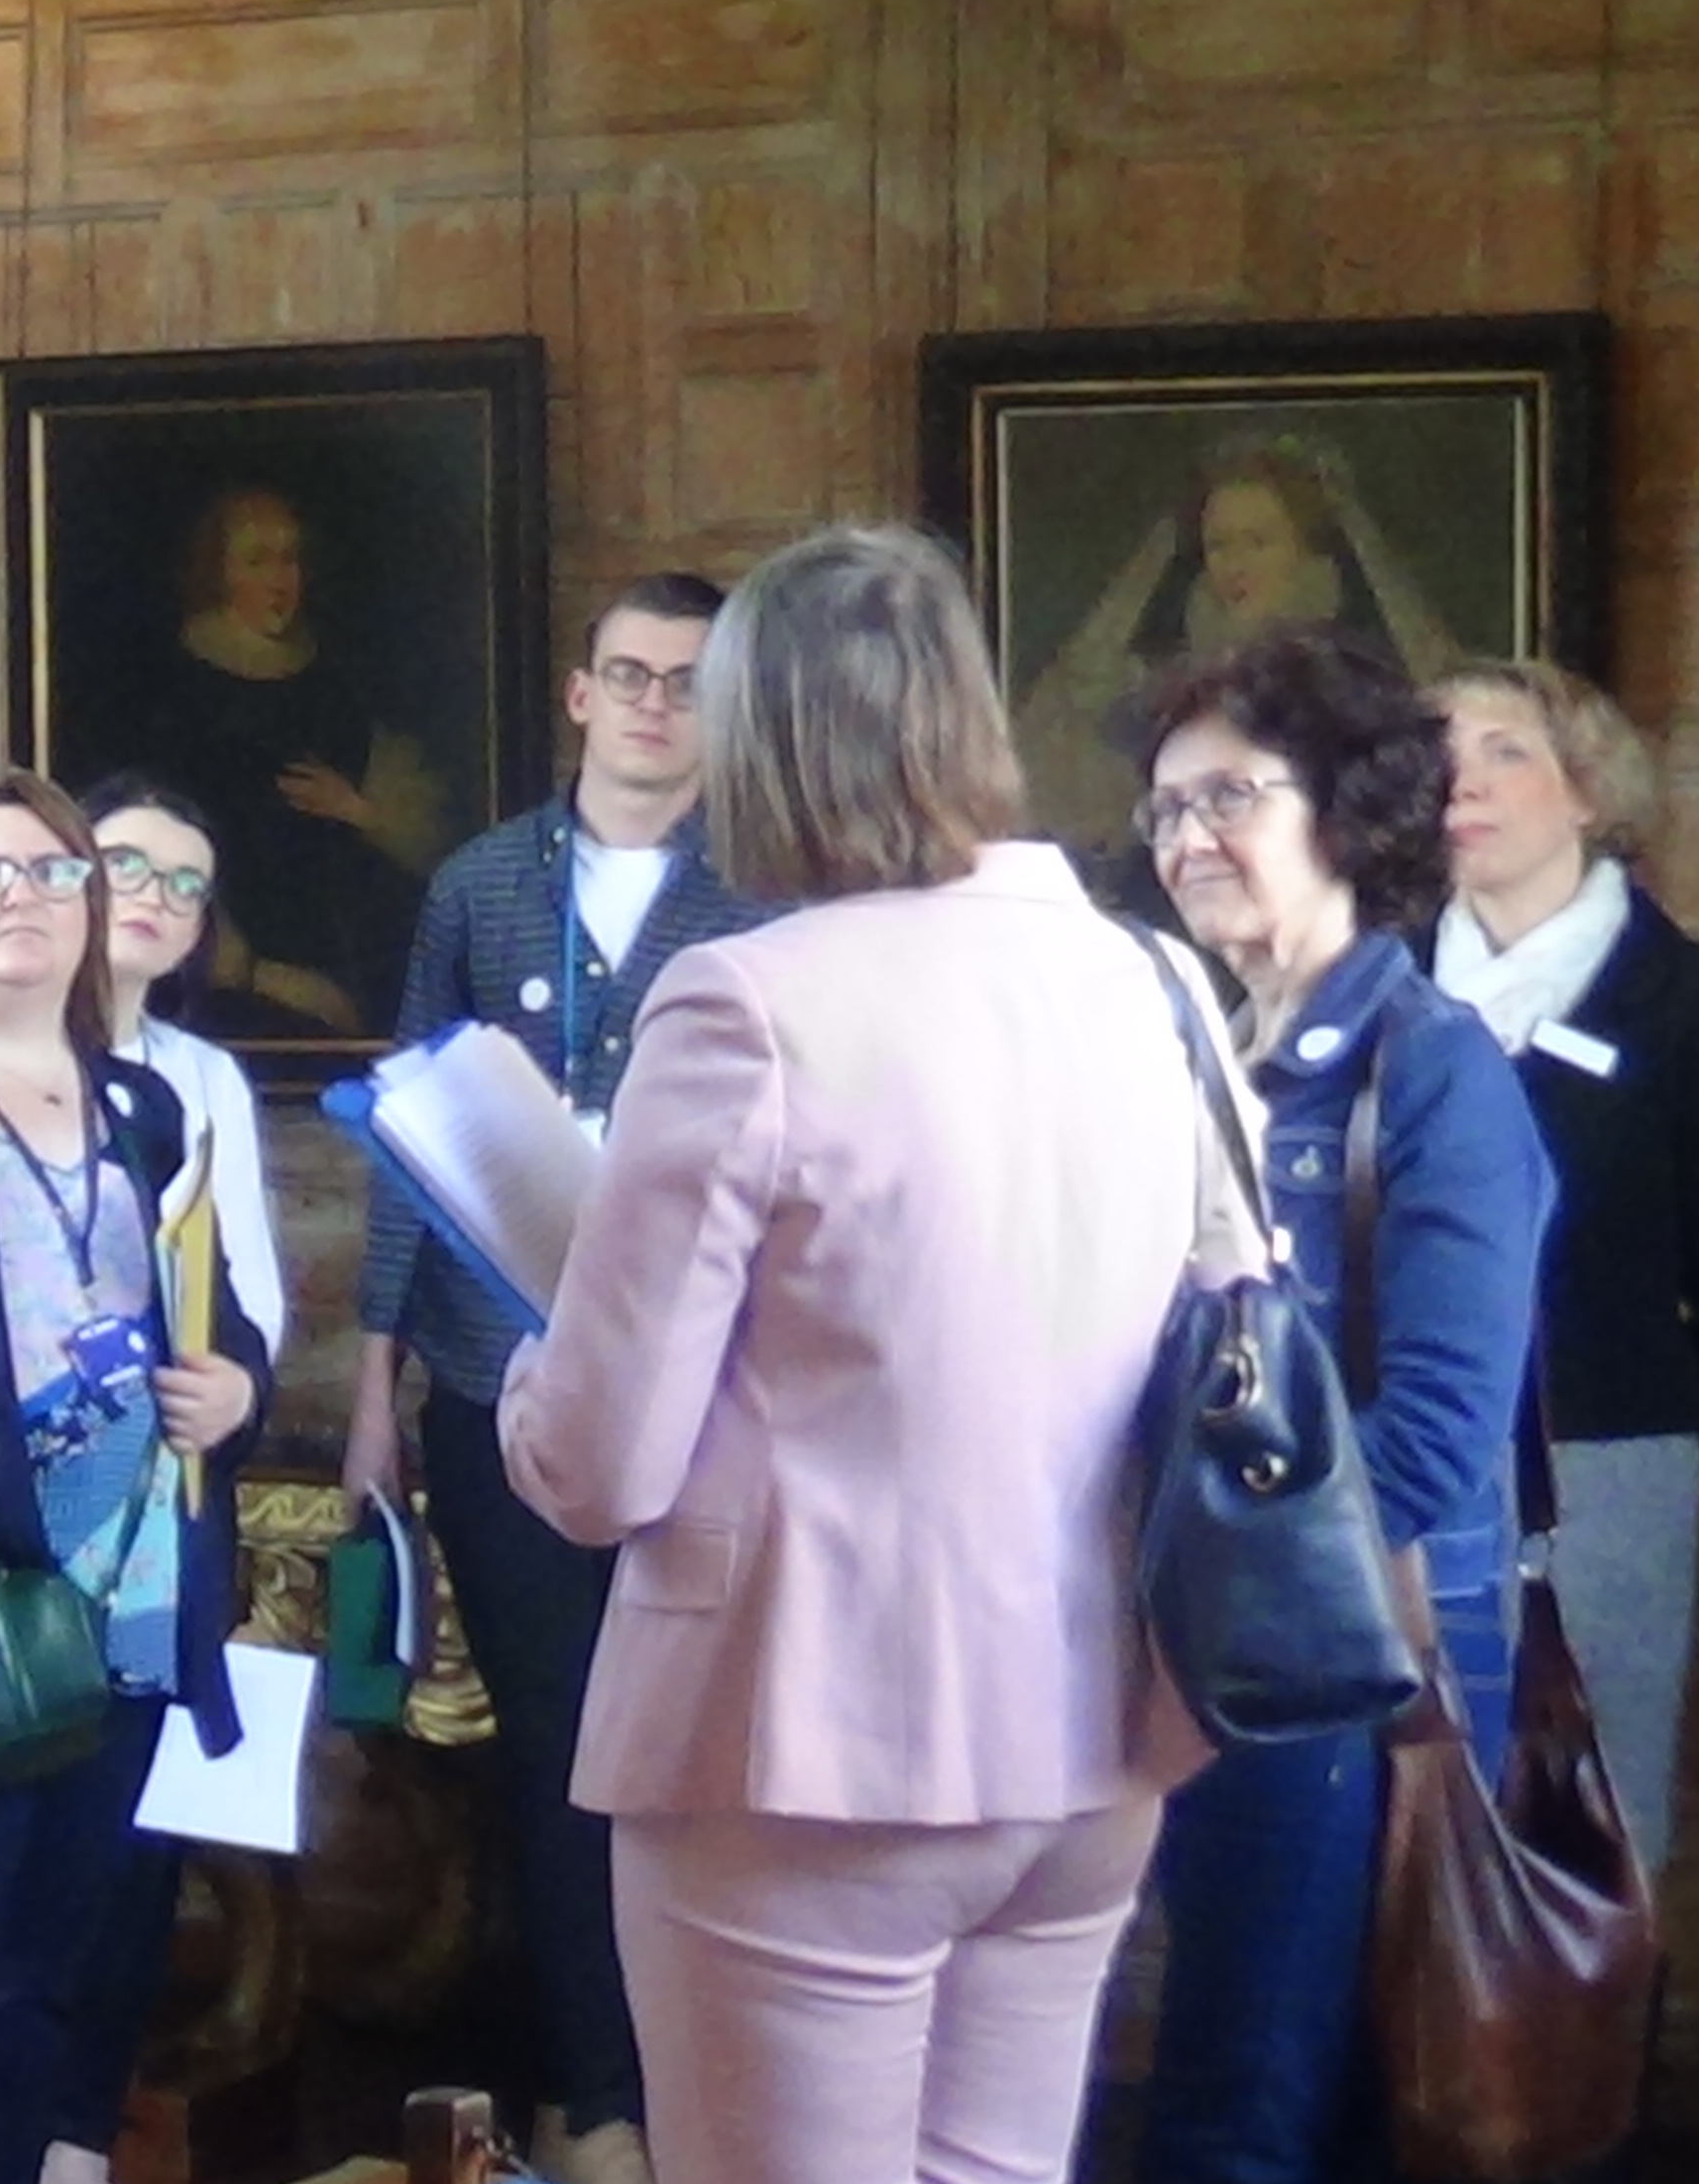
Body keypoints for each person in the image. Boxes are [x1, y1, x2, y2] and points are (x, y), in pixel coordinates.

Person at [496, 523, 1213, 2184]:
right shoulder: (1150, 977)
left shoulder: (746, 1000)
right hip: (1092, 1729)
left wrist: (537, 1372)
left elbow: (598, 1469)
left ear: (759, 740)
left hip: (809, 1742)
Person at [341, 571, 769, 2184]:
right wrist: (373, 1386)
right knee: (555, 1753)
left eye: (689, 680)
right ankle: (588, 2107)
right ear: (579, 696)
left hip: (701, 1397)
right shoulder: (477, 885)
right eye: (629, 675)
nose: (656, 704)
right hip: (492, 1377)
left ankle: (690, 2095)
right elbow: (406, 1133)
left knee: (688, 1758)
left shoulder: (762, 894)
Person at [1133, 625, 1552, 2184]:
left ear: (1351, 814)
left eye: (1229, 796)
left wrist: (1225, 1582)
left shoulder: (1432, 1071)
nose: (1187, 838)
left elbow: (1438, 1436)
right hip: (1208, 1660)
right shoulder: (1186, 1059)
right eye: (1165, 807)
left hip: (1344, 1668)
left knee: (1250, 2114)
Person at [0, 761, 272, 2184]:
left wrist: (239, 1386)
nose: (22, 898)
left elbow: (220, 1315)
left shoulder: (142, 1105)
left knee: (71, 1972)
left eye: (53, 872)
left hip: (135, 1601)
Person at [1427, 657, 1699, 1881]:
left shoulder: (1694, 998)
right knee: (1408, 1825)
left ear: (1588, 792)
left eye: (1505, 751)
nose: (1464, 781)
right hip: (1402, 1469)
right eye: (1442, 754)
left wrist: (1648, 1436)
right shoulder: (1377, 987)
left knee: (1593, 1829)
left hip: (1608, 1463)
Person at [1020, 431, 1465, 857]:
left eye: (1258, 542)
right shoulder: (1166, 683)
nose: (1236, 564)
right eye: (1219, 545)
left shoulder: (1356, 676)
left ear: (1304, 551)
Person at [116, 485, 443, 1037]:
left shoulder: (339, 684)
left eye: (289, 559)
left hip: (344, 955)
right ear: (217, 573)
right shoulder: (170, 696)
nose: (279, 579)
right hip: (231, 982)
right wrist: (259, 973)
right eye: (257, 561)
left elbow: (424, 839)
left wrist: (360, 811)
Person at [78, 770, 288, 1354]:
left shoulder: (208, 1073)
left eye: (186, 884)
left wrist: (237, 1381)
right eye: (124, 864)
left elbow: (250, 1282)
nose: (154, 895)